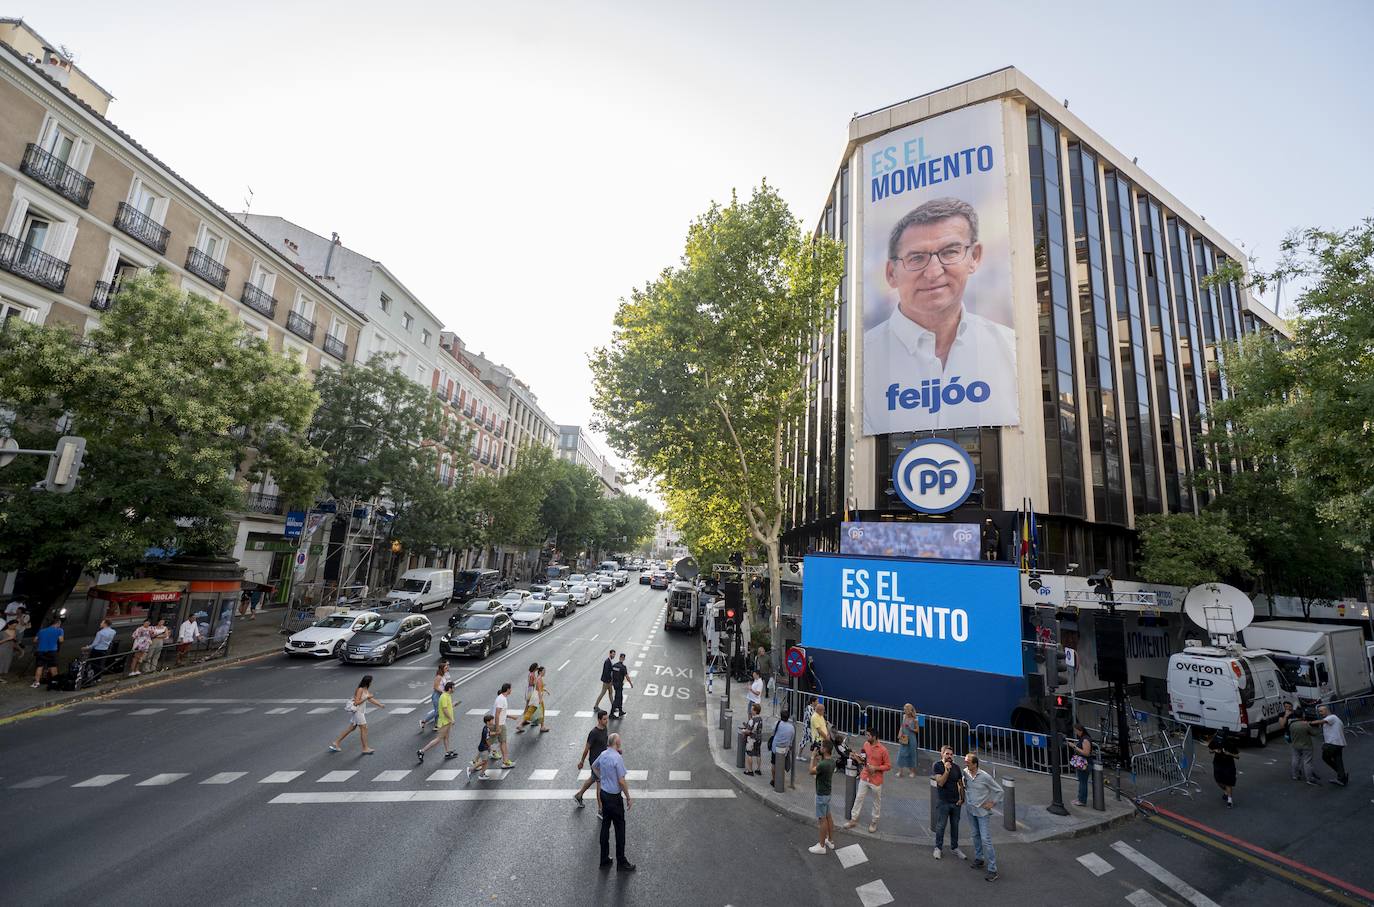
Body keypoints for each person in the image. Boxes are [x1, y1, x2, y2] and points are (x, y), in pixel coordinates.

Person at [862, 197, 1018, 434]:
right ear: (891, 273)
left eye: (950, 252)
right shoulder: (861, 363)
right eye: (917, 258)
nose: (933, 272)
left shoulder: (1011, 350)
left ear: (974, 257)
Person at [593, 732, 635, 871]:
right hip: (614, 798)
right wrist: (628, 797)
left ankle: (604, 858)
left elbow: (594, 766)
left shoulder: (603, 754)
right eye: (619, 741)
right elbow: (621, 781)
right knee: (619, 828)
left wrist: (602, 778)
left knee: (605, 825)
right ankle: (621, 861)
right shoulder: (617, 758)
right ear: (616, 743)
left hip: (604, 794)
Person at [963, 752, 1003, 881]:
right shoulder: (965, 773)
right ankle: (979, 859)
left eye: (968, 762)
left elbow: (999, 791)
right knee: (975, 835)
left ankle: (993, 870)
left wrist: (992, 802)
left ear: (975, 764)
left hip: (982, 813)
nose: (965, 764)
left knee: (986, 839)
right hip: (970, 810)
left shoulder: (985, 777)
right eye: (965, 761)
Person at [845, 726, 891, 833]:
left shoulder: (883, 750)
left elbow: (888, 766)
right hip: (865, 776)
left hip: (876, 779)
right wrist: (856, 756)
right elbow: (863, 760)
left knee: (876, 802)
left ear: (874, 737)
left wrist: (876, 768)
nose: (866, 737)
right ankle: (853, 819)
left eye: (868, 735)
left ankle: (874, 822)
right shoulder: (866, 744)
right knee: (859, 798)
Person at [329, 675, 384, 754]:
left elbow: (370, 699)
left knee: (351, 728)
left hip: (360, 712)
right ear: (368, 682)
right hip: (358, 712)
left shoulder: (365, 689)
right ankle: (365, 748)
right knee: (364, 728)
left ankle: (336, 742)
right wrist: (366, 698)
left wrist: (380, 704)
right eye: (371, 681)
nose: (371, 683)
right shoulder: (360, 689)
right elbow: (356, 702)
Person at [931, 745, 965, 860]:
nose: (949, 756)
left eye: (951, 754)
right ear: (942, 754)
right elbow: (940, 782)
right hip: (943, 802)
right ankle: (938, 848)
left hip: (956, 802)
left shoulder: (956, 767)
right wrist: (947, 770)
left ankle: (955, 848)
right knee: (941, 826)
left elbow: (960, 784)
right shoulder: (937, 765)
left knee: (955, 826)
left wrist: (962, 798)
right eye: (947, 754)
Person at [574, 709, 610, 813]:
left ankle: (579, 795)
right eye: (604, 719)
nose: (606, 721)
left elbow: (605, 744)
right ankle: (601, 809)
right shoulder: (594, 733)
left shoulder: (605, 728)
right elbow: (587, 748)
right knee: (600, 785)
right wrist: (581, 761)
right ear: (599, 720)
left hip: (602, 761)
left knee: (593, 778)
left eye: (607, 718)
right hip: (596, 763)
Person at [807, 738, 837, 854]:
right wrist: (817, 759)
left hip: (821, 794)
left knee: (822, 820)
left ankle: (821, 845)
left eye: (821, 747)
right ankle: (830, 840)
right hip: (828, 793)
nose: (819, 748)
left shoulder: (823, 764)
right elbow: (817, 769)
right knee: (828, 816)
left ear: (825, 749)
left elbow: (811, 771)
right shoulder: (831, 762)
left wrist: (812, 757)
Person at [418, 681, 457, 763]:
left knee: (446, 737)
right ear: (449, 689)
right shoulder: (444, 696)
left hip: (447, 722)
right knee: (438, 739)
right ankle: (422, 751)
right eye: (453, 688)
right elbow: (444, 710)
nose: (454, 689)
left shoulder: (448, 696)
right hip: (444, 722)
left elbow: (447, 707)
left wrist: (453, 705)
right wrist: (451, 719)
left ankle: (447, 752)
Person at [1280, 703, 1319, 784]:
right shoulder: (1305, 725)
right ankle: (1309, 778)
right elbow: (1314, 733)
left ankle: (1295, 775)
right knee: (1307, 762)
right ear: (1302, 715)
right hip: (1306, 745)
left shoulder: (1291, 725)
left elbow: (1286, 729)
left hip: (1295, 744)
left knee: (1295, 759)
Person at [1312, 705, 1349, 786]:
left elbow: (1320, 721)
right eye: (1319, 711)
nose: (1320, 713)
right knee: (1338, 760)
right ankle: (1342, 778)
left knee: (1325, 757)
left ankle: (1341, 774)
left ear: (1327, 710)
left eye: (1321, 711)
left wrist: (1309, 723)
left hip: (1333, 744)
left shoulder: (1332, 717)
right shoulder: (1333, 719)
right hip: (1338, 743)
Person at [1209, 729, 1239, 807]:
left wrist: (1229, 754)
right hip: (1217, 764)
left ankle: (1230, 801)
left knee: (1228, 783)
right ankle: (1226, 791)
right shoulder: (1215, 741)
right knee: (1218, 781)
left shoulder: (1230, 743)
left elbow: (1237, 756)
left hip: (1228, 765)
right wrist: (1215, 750)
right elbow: (1210, 750)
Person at [420, 661, 452, 733]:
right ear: (442, 669)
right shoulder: (438, 677)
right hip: (436, 696)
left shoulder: (443, 676)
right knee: (438, 711)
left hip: (441, 696)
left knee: (438, 711)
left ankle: (436, 725)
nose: (447, 669)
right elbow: (435, 687)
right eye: (445, 668)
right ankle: (423, 721)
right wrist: (443, 692)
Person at [31, 617, 63, 688]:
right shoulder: (59, 630)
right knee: (53, 666)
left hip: (40, 651)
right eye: (59, 624)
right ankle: (55, 682)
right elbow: (61, 640)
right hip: (52, 651)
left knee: (39, 667)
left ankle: (36, 683)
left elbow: (35, 640)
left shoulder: (41, 630)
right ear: (58, 623)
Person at [1067, 723, 1093, 806]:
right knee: (1081, 781)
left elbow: (1086, 753)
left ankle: (1082, 800)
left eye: (1076, 731)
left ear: (1080, 730)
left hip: (1085, 763)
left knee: (1083, 782)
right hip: (1082, 763)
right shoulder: (1083, 738)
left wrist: (1074, 746)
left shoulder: (1085, 739)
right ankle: (1080, 798)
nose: (1075, 732)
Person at [492, 682, 516, 768]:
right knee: (503, 743)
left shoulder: (502, 698)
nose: (511, 690)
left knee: (495, 742)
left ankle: (504, 760)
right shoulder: (501, 699)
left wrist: (511, 717)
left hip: (500, 723)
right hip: (500, 724)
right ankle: (506, 762)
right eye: (510, 688)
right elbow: (497, 714)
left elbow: (501, 713)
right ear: (508, 689)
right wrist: (497, 727)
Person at [770, 708, 796, 783]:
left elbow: (773, 732)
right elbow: (792, 738)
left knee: (774, 764)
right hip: (785, 749)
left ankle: (774, 780)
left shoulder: (777, 723)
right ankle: (781, 781)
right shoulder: (791, 727)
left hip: (775, 748)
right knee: (782, 765)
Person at [467, 714, 494, 780]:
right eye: (492, 720)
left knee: (485, 762)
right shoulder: (486, 730)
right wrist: (490, 747)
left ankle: (482, 774)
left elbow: (488, 736)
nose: (493, 721)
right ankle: (471, 769)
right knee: (484, 762)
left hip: (482, 746)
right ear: (488, 722)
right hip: (484, 748)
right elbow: (487, 740)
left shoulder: (485, 727)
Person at [895, 703, 918, 778]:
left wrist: (911, 729)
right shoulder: (904, 716)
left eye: (905, 709)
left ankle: (912, 772)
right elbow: (902, 726)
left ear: (909, 710)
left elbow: (917, 730)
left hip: (912, 738)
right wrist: (899, 733)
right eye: (904, 709)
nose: (904, 711)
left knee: (912, 754)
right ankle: (900, 771)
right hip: (904, 737)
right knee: (901, 753)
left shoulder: (915, 719)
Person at [742, 703, 764, 776]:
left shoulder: (752, 720)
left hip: (752, 739)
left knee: (749, 754)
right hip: (759, 738)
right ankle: (758, 769)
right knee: (758, 754)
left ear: (755, 711)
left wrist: (743, 731)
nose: (751, 711)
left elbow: (748, 731)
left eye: (752, 709)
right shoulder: (760, 719)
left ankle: (750, 771)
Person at [610, 652, 633, 719]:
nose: (622, 658)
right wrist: (630, 683)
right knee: (617, 699)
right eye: (623, 658)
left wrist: (611, 682)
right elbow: (627, 676)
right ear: (623, 658)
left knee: (620, 697)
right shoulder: (623, 667)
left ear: (619, 657)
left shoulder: (614, 665)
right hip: (619, 684)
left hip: (615, 684)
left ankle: (620, 711)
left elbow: (611, 674)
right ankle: (611, 714)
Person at [518, 662, 539, 733]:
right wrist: (536, 682)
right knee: (529, 706)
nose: (537, 668)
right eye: (537, 667)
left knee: (528, 705)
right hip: (530, 690)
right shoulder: (532, 674)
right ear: (535, 668)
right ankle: (525, 720)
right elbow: (531, 683)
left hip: (529, 689)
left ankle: (526, 719)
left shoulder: (531, 673)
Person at [0, 616, 20, 681]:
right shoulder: (2, 632)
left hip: (10, 650)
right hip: (2, 649)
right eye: (13, 626)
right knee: (1, 663)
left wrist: (16, 640)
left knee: (7, 663)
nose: (14, 627)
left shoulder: (16, 631)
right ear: (8, 625)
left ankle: (1, 677)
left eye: (15, 626)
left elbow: (17, 641)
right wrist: (7, 639)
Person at [534, 665, 551, 733]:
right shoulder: (539, 679)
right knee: (541, 711)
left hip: (537, 697)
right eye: (544, 671)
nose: (545, 672)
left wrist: (545, 690)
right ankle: (542, 727)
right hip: (538, 697)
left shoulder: (539, 678)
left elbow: (540, 688)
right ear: (540, 672)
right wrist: (540, 699)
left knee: (534, 711)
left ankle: (539, 724)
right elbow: (538, 689)